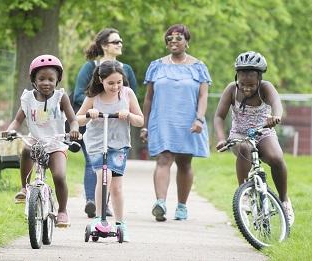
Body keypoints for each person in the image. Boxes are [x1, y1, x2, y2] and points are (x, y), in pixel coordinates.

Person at [213, 51, 295, 226]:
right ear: (237, 78)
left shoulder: (266, 88)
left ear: (259, 79)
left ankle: (284, 201)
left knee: (276, 158)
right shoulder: (231, 90)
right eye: (242, 84)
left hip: (263, 131)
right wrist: (221, 138)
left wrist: (275, 117)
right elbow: (219, 116)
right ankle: (244, 194)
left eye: (251, 84)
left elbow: (277, 104)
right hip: (239, 134)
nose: (246, 88)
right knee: (244, 148)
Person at [140, 24, 211, 222]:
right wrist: (145, 125)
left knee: (184, 163)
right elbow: (148, 98)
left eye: (178, 38)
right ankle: (160, 203)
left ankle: (182, 206)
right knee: (163, 159)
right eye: (169, 39)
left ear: (187, 42)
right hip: (162, 121)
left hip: (188, 121)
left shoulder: (198, 67)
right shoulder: (157, 66)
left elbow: (203, 97)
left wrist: (199, 118)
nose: (173, 41)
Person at [2, 54, 79, 227]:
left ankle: (62, 211)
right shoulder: (28, 99)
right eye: (42, 79)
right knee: (27, 149)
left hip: (56, 143)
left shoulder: (61, 97)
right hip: (36, 140)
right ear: (34, 80)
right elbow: (17, 120)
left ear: (57, 80)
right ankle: (24, 187)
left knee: (59, 176)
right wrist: (10, 130)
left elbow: (73, 120)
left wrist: (74, 130)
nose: (46, 83)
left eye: (51, 79)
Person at [73, 28, 137, 218]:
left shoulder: (125, 70)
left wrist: (125, 113)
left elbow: (130, 97)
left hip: (118, 129)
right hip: (94, 123)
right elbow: (78, 94)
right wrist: (95, 110)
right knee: (95, 166)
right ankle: (92, 202)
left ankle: (106, 206)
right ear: (103, 46)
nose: (119, 45)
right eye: (115, 42)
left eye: (120, 42)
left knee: (111, 173)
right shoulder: (90, 68)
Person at [76, 60, 144, 241]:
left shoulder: (127, 94)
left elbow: (140, 120)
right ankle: (99, 218)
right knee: (103, 177)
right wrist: (89, 114)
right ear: (101, 80)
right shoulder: (94, 96)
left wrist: (128, 114)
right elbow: (78, 119)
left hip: (119, 144)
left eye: (119, 82)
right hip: (97, 143)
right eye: (111, 83)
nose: (115, 87)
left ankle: (121, 223)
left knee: (116, 186)